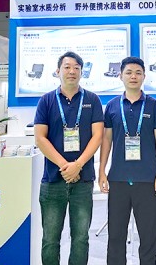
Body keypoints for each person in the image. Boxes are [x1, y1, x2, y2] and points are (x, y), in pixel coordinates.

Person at [34, 51, 104, 265]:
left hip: (83, 180)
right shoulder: (46, 100)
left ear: (82, 72)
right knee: (50, 240)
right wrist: (65, 166)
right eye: (67, 67)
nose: (72, 71)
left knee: (81, 238)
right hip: (53, 180)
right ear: (58, 71)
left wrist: (78, 165)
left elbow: (98, 136)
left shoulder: (92, 99)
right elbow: (40, 138)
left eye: (76, 67)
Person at [99, 56, 156, 265]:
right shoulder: (112, 106)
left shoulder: (154, 106)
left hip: (147, 179)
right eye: (128, 72)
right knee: (116, 235)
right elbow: (106, 139)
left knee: (148, 236)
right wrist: (102, 170)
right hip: (118, 179)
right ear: (120, 76)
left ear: (144, 76)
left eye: (138, 73)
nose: (133, 76)